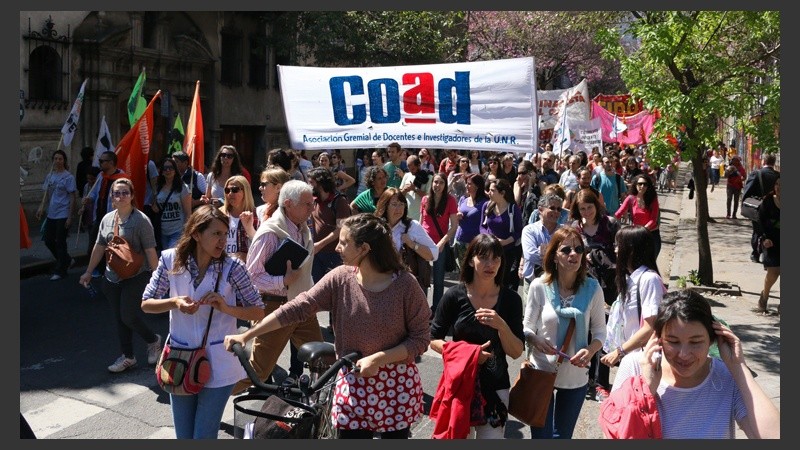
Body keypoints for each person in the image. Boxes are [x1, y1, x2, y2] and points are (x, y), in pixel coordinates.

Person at [225, 213, 431, 439]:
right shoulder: (341, 278)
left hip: (395, 386)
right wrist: (248, 335)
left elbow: (421, 339)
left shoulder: (405, 285)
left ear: (364, 249)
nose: (337, 248)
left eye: (344, 243)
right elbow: (296, 308)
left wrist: (378, 359)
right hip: (352, 384)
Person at [140, 205, 265, 439]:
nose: (222, 241)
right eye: (216, 234)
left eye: (225, 234)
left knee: (204, 436)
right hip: (180, 359)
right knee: (184, 437)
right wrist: (174, 302)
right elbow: (146, 303)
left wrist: (226, 307)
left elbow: (258, 311)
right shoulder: (170, 260)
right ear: (196, 234)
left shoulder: (233, 267)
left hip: (219, 362)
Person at [608, 290, 780, 439]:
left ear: (713, 339)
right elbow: (614, 434)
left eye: (695, 342)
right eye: (673, 341)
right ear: (658, 339)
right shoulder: (634, 367)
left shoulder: (727, 376)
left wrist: (739, 367)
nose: (684, 354)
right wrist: (644, 391)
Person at [232, 180, 323, 395]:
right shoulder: (270, 233)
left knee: (323, 358)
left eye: (313, 203)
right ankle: (210, 400)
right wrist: (282, 281)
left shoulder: (302, 228)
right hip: (274, 308)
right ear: (289, 204)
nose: (312, 208)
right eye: (307, 204)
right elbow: (252, 278)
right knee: (258, 372)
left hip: (300, 305)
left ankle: (326, 408)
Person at [430, 233, 525, 439]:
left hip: (496, 386)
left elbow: (516, 352)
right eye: (483, 257)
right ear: (471, 260)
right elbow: (433, 339)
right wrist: (470, 354)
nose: (490, 264)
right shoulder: (454, 296)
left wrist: (501, 325)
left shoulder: (511, 300)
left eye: (496, 259)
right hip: (459, 384)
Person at [522, 226, 607, 439]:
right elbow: (527, 326)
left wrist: (589, 350)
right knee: (541, 437)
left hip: (575, 376)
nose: (574, 254)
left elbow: (600, 332)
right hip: (541, 371)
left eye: (579, 250)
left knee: (562, 437)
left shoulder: (593, 288)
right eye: (566, 250)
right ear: (554, 255)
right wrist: (535, 339)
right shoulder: (539, 286)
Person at [78, 178, 162, 373]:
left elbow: (150, 250)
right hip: (111, 277)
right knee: (119, 318)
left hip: (136, 276)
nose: (121, 196)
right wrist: (89, 272)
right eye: (117, 193)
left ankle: (153, 340)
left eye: (125, 192)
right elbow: (99, 246)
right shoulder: (107, 219)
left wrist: (158, 279)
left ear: (132, 196)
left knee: (128, 316)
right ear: (112, 197)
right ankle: (128, 356)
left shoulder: (141, 220)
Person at [599, 225, 666, 401]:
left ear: (630, 250)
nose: (614, 249)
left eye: (618, 245)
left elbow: (650, 327)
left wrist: (619, 351)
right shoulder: (632, 279)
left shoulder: (649, 280)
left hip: (644, 363)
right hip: (632, 360)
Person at [570, 188, 619, 402]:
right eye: (582, 208)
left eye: (589, 207)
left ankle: (601, 382)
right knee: (584, 330)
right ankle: (585, 377)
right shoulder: (575, 228)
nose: (587, 212)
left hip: (608, 285)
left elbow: (620, 249)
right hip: (583, 284)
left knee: (603, 332)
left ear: (596, 206)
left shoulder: (610, 223)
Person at [375, 188, 437, 293]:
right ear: (384, 206)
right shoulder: (376, 226)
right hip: (379, 285)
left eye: (401, 204)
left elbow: (434, 254)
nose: (398, 209)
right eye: (394, 204)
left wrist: (412, 244)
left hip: (405, 288)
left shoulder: (412, 226)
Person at [83, 150, 126, 277]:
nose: (100, 163)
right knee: (94, 245)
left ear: (111, 163)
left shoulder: (122, 179)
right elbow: (95, 193)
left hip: (114, 219)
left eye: (102, 161)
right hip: (99, 218)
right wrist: (89, 198)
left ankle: (113, 271)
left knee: (112, 247)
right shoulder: (101, 176)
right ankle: (99, 268)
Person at [421, 172, 460, 314]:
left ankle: (437, 309)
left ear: (445, 185)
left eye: (441, 183)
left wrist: (443, 242)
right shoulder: (425, 199)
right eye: (435, 182)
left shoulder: (450, 200)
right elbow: (421, 223)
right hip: (424, 243)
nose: (437, 185)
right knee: (422, 278)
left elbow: (454, 226)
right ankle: (421, 310)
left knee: (438, 280)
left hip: (440, 244)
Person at [36, 150, 77, 280]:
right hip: (51, 213)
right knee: (48, 240)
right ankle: (66, 260)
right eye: (55, 159)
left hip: (63, 213)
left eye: (60, 159)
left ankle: (60, 270)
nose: (57, 161)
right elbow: (46, 195)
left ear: (64, 161)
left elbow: (72, 197)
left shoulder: (68, 177)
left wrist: (70, 216)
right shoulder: (50, 176)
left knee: (60, 241)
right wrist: (41, 207)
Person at [307, 167, 352, 285]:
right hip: (316, 253)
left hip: (333, 254)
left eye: (311, 182)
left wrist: (320, 245)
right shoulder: (314, 200)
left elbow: (341, 229)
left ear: (320, 183)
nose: (308, 185)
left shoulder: (340, 201)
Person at [480, 178, 523, 294]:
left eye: (492, 190)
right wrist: (489, 238)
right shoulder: (487, 206)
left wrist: (504, 242)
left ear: (502, 193)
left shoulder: (513, 209)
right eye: (489, 190)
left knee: (502, 282)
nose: (489, 193)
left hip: (507, 253)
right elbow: (482, 227)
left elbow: (519, 231)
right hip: (489, 250)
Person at [520, 193, 564, 304]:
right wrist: (555, 256)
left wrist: (543, 251)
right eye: (552, 208)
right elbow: (530, 255)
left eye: (559, 209)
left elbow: (565, 256)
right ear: (540, 209)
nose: (556, 212)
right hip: (532, 282)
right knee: (531, 319)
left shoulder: (563, 232)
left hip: (556, 282)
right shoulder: (529, 230)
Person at [742, 153, 779, 262]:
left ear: (763, 161)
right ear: (774, 162)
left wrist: (745, 205)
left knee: (758, 231)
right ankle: (770, 255)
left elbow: (747, 192)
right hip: (776, 209)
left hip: (759, 208)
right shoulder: (779, 175)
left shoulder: (756, 174)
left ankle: (756, 254)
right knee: (773, 231)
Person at [615, 175, 661, 258]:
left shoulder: (653, 199)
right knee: (637, 263)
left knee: (651, 263)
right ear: (635, 185)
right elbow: (619, 213)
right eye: (640, 184)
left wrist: (642, 230)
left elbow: (653, 220)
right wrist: (606, 220)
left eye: (645, 184)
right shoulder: (630, 198)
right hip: (637, 236)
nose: (642, 186)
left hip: (652, 235)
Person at [153, 157, 192, 251]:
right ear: (161, 171)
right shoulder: (158, 187)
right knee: (166, 257)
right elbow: (155, 207)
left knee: (172, 255)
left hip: (178, 230)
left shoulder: (182, 187)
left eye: (171, 167)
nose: (168, 170)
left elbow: (188, 211)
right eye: (165, 168)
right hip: (163, 231)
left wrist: (187, 230)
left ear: (175, 170)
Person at [454, 174, 489, 273]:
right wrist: (458, 215)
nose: (466, 186)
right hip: (460, 241)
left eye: (469, 184)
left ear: (477, 186)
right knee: (463, 272)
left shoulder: (485, 203)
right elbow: (457, 213)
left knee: (474, 272)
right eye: (466, 183)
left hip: (475, 243)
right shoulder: (463, 199)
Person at [219, 175, 258, 263]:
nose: (230, 193)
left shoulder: (256, 215)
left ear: (245, 191)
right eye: (227, 190)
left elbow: (260, 244)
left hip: (246, 267)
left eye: (235, 190)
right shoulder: (219, 214)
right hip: (221, 264)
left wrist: (247, 256)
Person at [755, 177, 780, 314]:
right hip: (770, 241)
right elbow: (759, 221)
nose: (779, 187)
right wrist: (764, 238)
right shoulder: (768, 201)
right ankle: (764, 296)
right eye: (777, 184)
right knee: (773, 273)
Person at [399, 154, 432, 221]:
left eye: (413, 169)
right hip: (406, 216)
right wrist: (405, 190)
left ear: (419, 165)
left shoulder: (429, 177)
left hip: (420, 217)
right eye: (409, 169)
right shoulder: (407, 175)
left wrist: (414, 189)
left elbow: (428, 198)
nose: (411, 171)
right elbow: (399, 195)